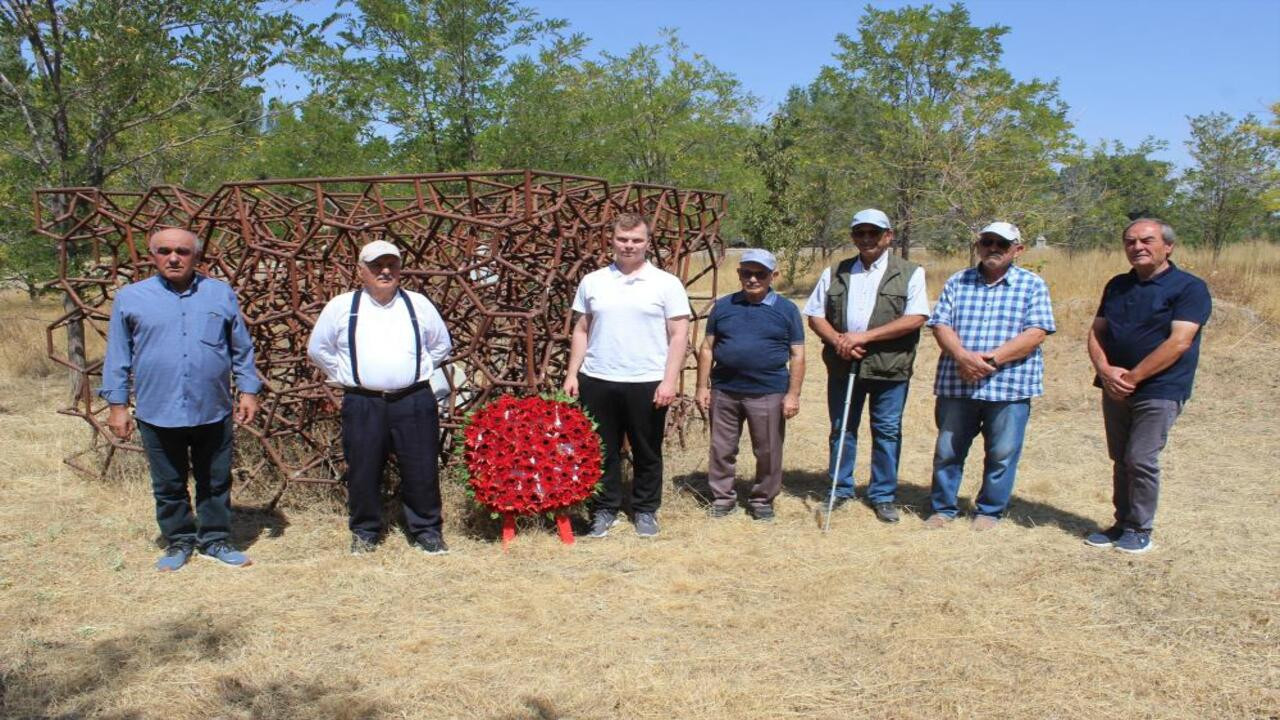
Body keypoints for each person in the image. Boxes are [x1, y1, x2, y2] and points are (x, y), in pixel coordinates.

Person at [101, 227, 261, 572]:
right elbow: (118, 355)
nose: (173, 258)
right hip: (157, 410)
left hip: (212, 408)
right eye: (165, 250)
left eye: (182, 252)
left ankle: (215, 539)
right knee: (168, 484)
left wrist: (248, 390)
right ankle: (179, 542)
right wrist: (117, 406)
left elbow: (240, 347)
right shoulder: (131, 297)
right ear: (152, 255)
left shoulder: (220, 294)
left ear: (196, 256)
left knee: (215, 481)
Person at [307, 240, 453, 556]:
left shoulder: (418, 304)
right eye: (376, 266)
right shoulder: (342, 306)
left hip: (413, 399)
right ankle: (365, 531)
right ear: (361, 271)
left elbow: (441, 345)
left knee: (421, 466)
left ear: (400, 269)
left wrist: (417, 368)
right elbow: (318, 349)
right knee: (363, 467)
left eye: (391, 265)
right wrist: (347, 375)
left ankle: (427, 531)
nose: (385, 271)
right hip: (363, 402)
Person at [1085, 219, 1211, 554]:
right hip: (1114, 386)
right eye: (1130, 241)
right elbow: (1097, 331)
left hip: (1160, 387)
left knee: (1140, 458)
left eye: (1147, 240)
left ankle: (1140, 529)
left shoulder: (1189, 288)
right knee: (1121, 458)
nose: (1137, 246)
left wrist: (1134, 376)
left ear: (1168, 246)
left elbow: (1180, 342)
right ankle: (1121, 523)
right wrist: (1105, 369)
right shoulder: (1117, 285)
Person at [563, 213, 692, 538]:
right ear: (612, 241)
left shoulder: (666, 283)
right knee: (600, 449)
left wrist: (669, 380)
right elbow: (582, 329)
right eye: (623, 239)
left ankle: (645, 510)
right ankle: (603, 509)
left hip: (647, 380)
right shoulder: (593, 281)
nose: (629, 245)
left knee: (646, 449)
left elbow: (679, 334)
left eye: (636, 240)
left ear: (648, 242)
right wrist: (572, 373)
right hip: (598, 377)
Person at [924, 221, 1055, 530]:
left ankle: (989, 511)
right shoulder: (958, 281)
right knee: (947, 451)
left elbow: (1036, 333)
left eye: (1002, 244)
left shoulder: (1032, 284)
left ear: (1018, 250)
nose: (993, 248)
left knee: (1002, 453)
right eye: (987, 242)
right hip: (958, 383)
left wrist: (991, 360)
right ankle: (943, 508)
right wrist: (961, 356)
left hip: (1008, 386)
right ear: (978, 246)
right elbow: (940, 324)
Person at [803, 209, 929, 523]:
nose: (867, 239)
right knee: (842, 428)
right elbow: (816, 315)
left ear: (888, 236)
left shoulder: (911, 272)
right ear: (853, 237)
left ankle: (883, 495)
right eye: (860, 233)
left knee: (887, 431)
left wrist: (865, 336)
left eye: (874, 232)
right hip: (843, 365)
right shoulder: (835, 271)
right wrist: (838, 341)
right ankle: (839, 488)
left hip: (890, 367)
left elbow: (916, 318)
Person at [694, 249, 805, 522]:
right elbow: (707, 348)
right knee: (722, 448)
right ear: (739, 274)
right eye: (747, 273)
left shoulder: (787, 310)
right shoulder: (724, 306)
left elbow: (798, 354)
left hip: (768, 391)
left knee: (768, 450)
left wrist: (793, 395)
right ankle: (722, 497)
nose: (753, 279)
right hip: (725, 390)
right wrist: (701, 387)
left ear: (773, 276)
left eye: (760, 274)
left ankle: (762, 499)